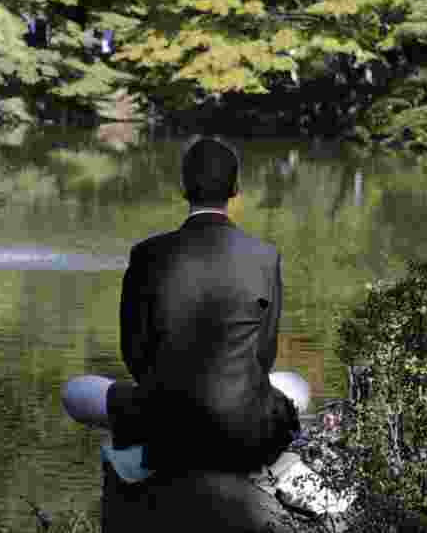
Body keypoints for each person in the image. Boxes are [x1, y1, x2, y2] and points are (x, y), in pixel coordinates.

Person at [62, 135, 302, 478]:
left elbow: (134, 354)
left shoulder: (147, 255)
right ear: (235, 189)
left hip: (163, 422)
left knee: (76, 392)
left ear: (183, 187)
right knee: (295, 385)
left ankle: (146, 456)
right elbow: (264, 356)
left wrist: (162, 397)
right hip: (243, 426)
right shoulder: (265, 257)